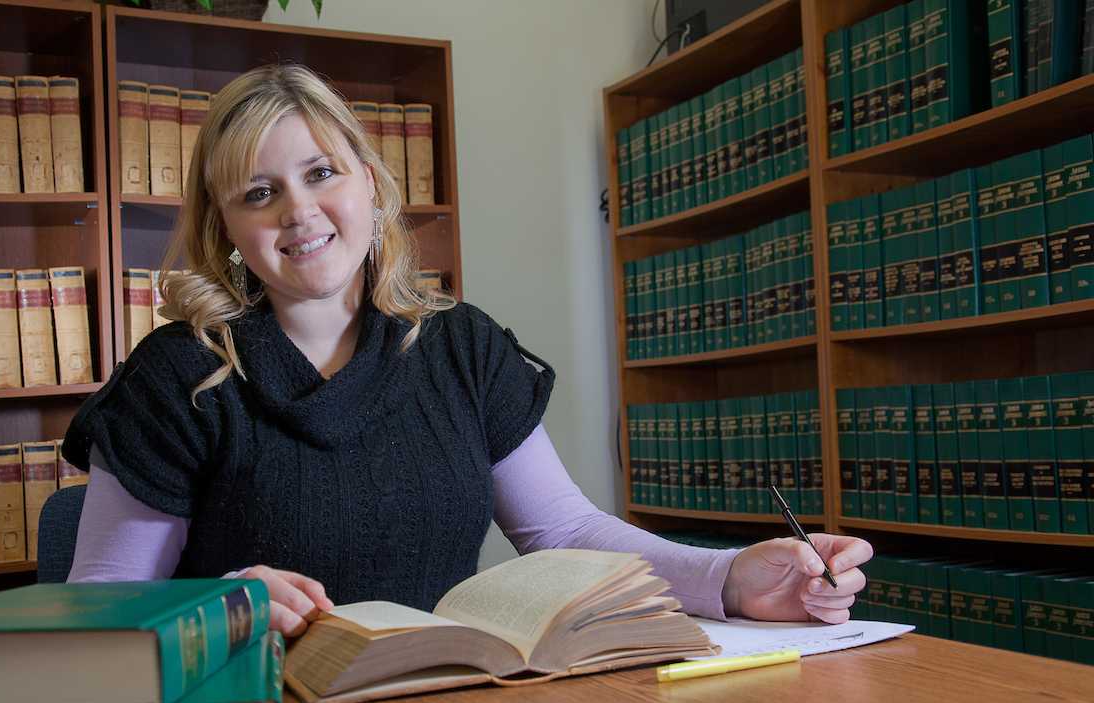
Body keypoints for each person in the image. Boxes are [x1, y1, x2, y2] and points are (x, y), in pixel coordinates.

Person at [62, 64, 871, 636]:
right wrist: (218, 605)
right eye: (259, 193)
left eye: (321, 173)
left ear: (370, 187)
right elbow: (98, 601)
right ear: (229, 228)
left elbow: (563, 532)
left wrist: (727, 577)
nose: (299, 212)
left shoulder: (461, 345)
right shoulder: (181, 376)